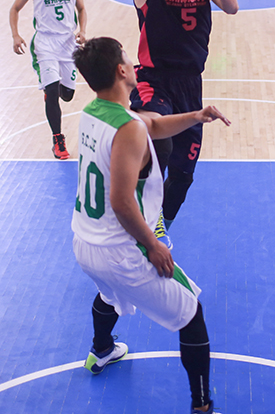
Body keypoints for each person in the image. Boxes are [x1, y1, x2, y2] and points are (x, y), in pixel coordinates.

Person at [72, 37, 230, 413]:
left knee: (110, 294)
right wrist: (153, 244)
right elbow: (122, 202)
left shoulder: (94, 111)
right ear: (121, 70)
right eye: (127, 57)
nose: (133, 61)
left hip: (84, 241)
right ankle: (202, 406)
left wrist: (196, 116)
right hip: (120, 250)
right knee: (192, 313)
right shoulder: (128, 128)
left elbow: (153, 124)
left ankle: (102, 349)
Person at [118, 0, 238, 232]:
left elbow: (232, 7)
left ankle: (160, 228)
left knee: (184, 174)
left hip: (190, 85)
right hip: (153, 80)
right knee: (160, 145)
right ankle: (132, 214)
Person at [9, 0, 87, 159]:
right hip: (45, 44)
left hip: (68, 43)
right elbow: (14, 9)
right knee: (52, 90)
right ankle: (58, 139)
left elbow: (82, 8)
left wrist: (82, 30)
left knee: (68, 94)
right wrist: (15, 35)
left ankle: (51, 88)